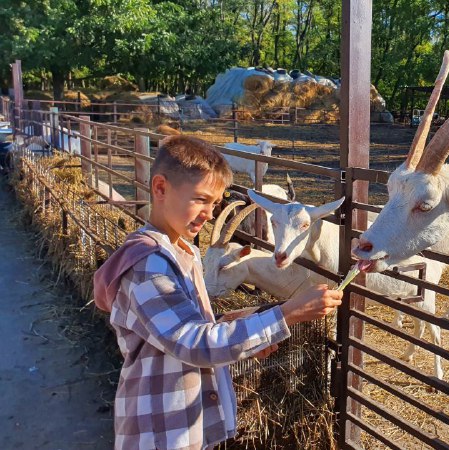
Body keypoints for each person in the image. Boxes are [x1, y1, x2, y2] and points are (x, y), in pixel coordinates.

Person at [93, 135, 342, 449]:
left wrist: (232, 326)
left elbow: (181, 327)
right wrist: (288, 313)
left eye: (215, 203)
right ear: (160, 188)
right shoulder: (148, 267)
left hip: (184, 424)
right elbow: (192, 342)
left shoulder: (181, 251)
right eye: (200, 199)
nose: (209, 214)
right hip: (161, 431)